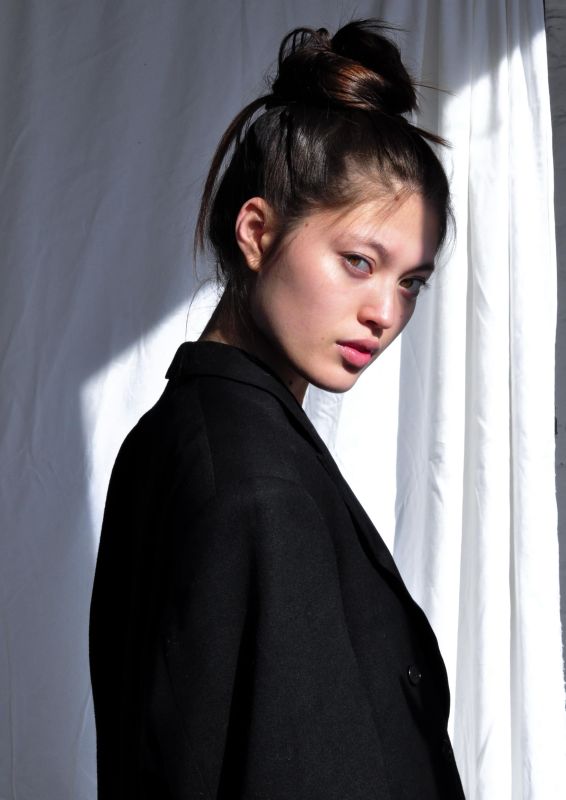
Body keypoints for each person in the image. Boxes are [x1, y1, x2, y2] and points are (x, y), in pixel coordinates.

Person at [89, 19, 466, 800]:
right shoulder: (259, 488)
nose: (385, 313)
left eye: (410, 282)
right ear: (257, 232)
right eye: (358, 261)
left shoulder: (172, 437)